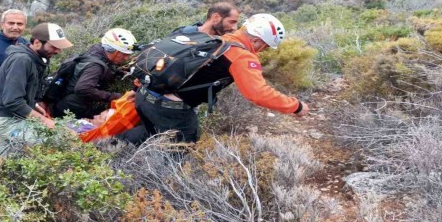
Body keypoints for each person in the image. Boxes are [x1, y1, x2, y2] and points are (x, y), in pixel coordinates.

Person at [131, 14, 310, 144]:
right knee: (181, 149)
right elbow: (258, 94)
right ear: (257, 41)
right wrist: (296, 106)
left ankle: (107, 146)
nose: (262, 51)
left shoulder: (218, 39)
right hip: (170, 109)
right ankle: (160, 188)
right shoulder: (242, 56)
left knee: (150, 133)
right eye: (265, 47)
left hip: (144, 95)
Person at [0, 23, 72, 150]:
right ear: (37, 43)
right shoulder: (22, 60)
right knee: (52, 142)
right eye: (54, 46)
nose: (58, 51)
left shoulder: (35, 59)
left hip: (13, 117)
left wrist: (34, 105)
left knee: (10, 155)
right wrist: (44, 120)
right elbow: (12, 101)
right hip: (5, 121)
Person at [52, 28, 137, 119]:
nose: (126, 58)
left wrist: (118, 72)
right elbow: (83, 89)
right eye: (125, 54)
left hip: (65, 100)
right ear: (116, 51)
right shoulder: (95, 67)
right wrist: (115, 96)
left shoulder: (97, 51)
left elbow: (104, 66)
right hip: (71, 107)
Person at [169, 2, 240, 37]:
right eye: (231, 22)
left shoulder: (224, 46)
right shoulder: (182, 33)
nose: (235, 28)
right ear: (216, 17)